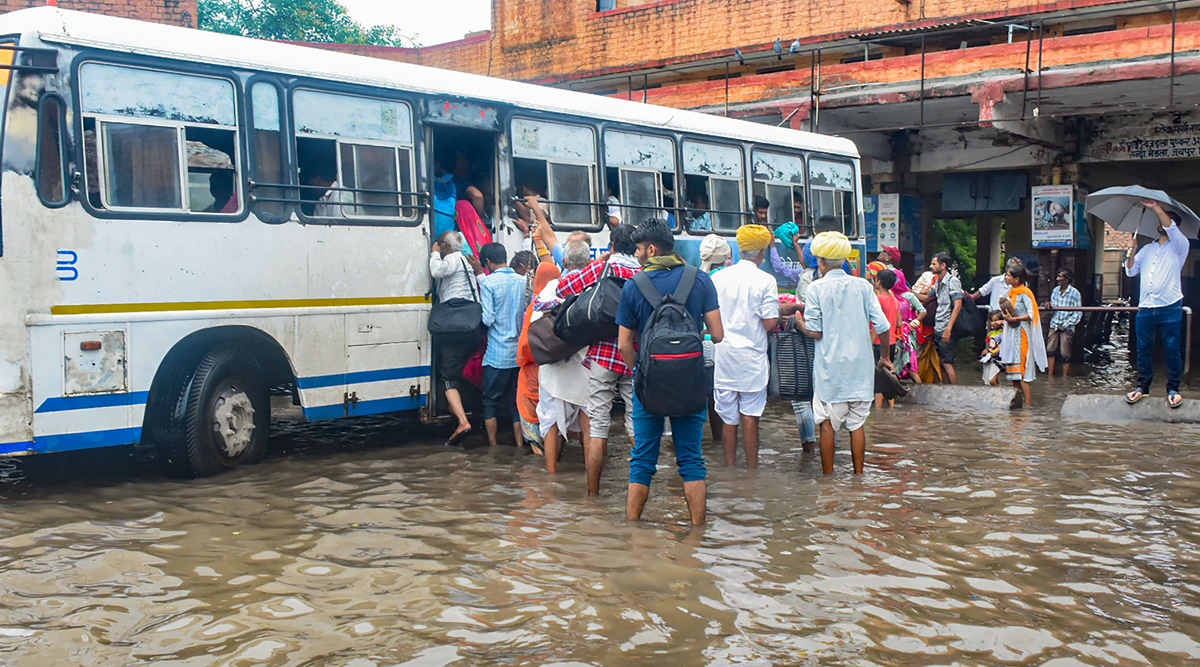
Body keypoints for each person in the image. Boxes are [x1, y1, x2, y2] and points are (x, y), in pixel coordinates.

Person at [617, 218, 723, 525]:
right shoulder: (700, 279)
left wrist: (639, 371)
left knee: (642, 461)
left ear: (651, 249)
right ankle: (696, 532)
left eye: (638, 249)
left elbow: (625, 344)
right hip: (691, 382)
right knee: (692, 460)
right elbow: (717, 334)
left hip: (648, 384)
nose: (636, 255)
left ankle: (633, 532)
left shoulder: (634, 286)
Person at [793, 231, 891, 476]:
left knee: (828, 424)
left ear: (822, 263)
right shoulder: (863, 286)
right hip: (861, 369)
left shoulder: (816, 288)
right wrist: (885, 357)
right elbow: (884, 326)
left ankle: (828, 481)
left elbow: (815, 332)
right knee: (857, 425)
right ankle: (858, 477)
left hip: (831, 369)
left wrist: (799, 323)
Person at [555, 224, 642, 495]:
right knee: (635, 422)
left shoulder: (603, 269)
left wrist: (599, 262)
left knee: (599, 424)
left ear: (612, 245)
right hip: (634, 355)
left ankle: (593, 494)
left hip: (603, 355)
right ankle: (643, 484)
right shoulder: (643, 274)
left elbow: (563, 288)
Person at [711, 225, 779, 468]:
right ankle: (751, 472)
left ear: (740, 251)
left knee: (728, 419)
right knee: (751, 417)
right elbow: (770, 322)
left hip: (725, 356)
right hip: (752, 359)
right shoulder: (766, 280)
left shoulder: (718, 277)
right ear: (761, 254)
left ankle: (730, 469)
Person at [1125, 200, 1190, 408]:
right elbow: (1131, 271)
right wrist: (1132, 252)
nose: (1162, 224)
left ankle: (1173, 389)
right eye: (1160, 221)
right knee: (1143, 348)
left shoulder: (1180, 245)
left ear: (1174, 226)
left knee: (1172, 348)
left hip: (1170, 306)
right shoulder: (1147, 249)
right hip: (1146, 306)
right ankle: (1142, 388)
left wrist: (1156, 208)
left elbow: (1169, 225)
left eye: (1167, 221)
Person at [534, 243, 591, 472]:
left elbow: (535, 322)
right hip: (585, 363)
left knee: (550, 420)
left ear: (564, 263)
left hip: (553, 363)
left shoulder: (552, 288)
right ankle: (591, 471)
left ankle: (551, 475)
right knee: (589, 419)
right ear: (588, 264)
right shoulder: (593, 288)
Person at [430, 231, 483, 446]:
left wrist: (434, 254)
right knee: (462, 371)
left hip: (454, 328)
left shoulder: (451, 258)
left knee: (448, 376)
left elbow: (436, 272)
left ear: (446, 246)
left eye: (441, 245)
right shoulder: (469, 262)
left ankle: (462, 421)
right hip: (471, 326)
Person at [478, 243, 527, 447]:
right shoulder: (522, 281)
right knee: (515, 403)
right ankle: (520, 444)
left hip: (497, 355)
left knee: (490, 402)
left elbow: (488, 319)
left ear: (488, 262)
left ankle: (493, 446)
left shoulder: (489, 283)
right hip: (519, 355)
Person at [517, 261, 560, 455]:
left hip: (533, 372)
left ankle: (542, 474)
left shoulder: (536, 307)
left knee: (534, 425)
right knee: (554, 423)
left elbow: (526, 345)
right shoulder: (563, 300)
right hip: (557, 371)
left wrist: (521, 361)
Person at [999, 264, 1047, 409]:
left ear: (1017, 279)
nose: (1006, 277)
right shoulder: (1010, 292)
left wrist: (1015, 319)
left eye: (1008, 275)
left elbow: (1031, 314)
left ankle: (1028, 406)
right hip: (1011, 334)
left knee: (1023, 374)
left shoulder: (1025, 293)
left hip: (1022, 334)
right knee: (1014, 375)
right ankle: (1017, 406)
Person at [929, 252, 963, 385]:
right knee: (942, 363)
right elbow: (927, 297)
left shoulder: (952, 281)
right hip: (939, 326)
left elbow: (958, 305)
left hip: (947, 328)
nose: (931, 266)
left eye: (934, 264)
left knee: (947, 363)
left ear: (943, 265)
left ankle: (954, 392)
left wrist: (948, 329)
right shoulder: (938, 281)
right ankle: (946, 391)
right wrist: (907, 293)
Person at [872, 268, 902, 408]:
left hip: (879, 342)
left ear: (879, 281)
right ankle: (891, 407)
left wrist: (869, 342)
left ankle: (878, 410)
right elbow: (899, 323)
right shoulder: (894, 300)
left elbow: (877, 325)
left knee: (878, 378)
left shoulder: (879, 300)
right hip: (891, 342)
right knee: (888, 375)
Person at [1046, 268, 1083, 377]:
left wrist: (1066, 325)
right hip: (1055, 323)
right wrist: (1048, 304)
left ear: (1067, 279)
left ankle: (1065, 377)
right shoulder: (1055, 291)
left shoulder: (1075, 293)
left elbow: (1078, 312)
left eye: (1061, 276)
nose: (1058, 279)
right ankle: (1050, 374)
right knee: (1050, 350)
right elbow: (1053, 305)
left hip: (1067, 325)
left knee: (1065, 353)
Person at [981, 310, 1005, 386]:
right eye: (992, 321)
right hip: (991, 358)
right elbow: (989, 346)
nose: (994, 323)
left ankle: (1001, 394)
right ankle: (997, 394)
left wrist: (1003, 322)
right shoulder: (990, 334)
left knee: (992, 380)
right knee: (990, 380)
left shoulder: (1004, 331)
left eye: (996, 320)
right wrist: (986, 350)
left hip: (1000, 359)